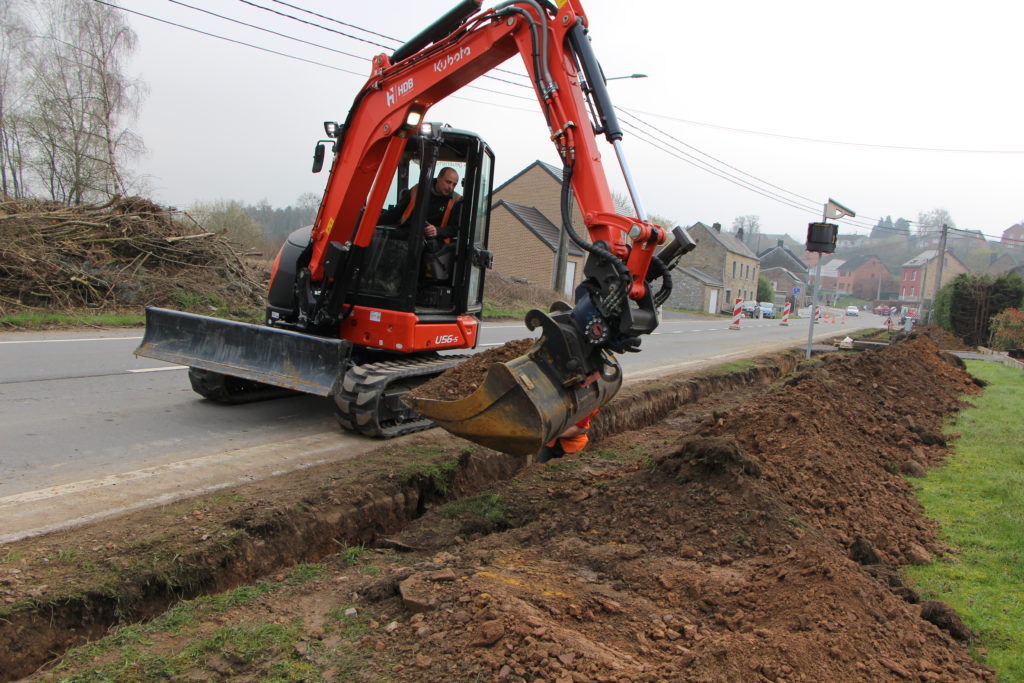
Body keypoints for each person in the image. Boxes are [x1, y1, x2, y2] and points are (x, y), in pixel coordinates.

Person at [380, 167, 461, 241]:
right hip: (408, 235)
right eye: (448, 182)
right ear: (439, 178)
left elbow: (456, 229)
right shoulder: (418, 190)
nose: (451, 187)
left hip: (434, 243)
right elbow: (395, 214)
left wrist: (438, 231)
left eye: (454, 184)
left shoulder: (456, 201)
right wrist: (371, 221)